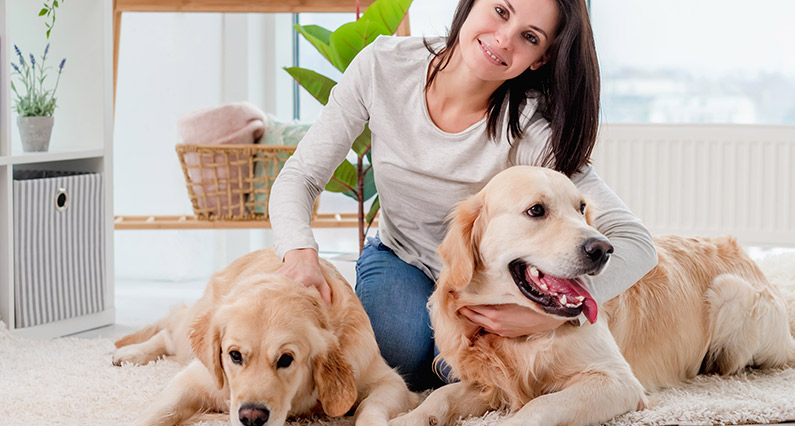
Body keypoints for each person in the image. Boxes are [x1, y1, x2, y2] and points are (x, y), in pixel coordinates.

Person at [269, 0, 658, 391]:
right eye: (501, 11)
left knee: (498, 371)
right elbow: (301, 175)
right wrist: (300, 253)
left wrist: (556, 314)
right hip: (403, 259)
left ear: (540, 59)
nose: (503, 39)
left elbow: (636, 242)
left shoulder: (531, 131)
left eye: (529, 37)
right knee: (395, 355)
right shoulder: (382, 66)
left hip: (486, 279)